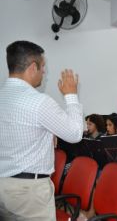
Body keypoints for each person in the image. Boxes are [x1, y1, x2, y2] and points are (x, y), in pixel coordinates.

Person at [0, 40, 83, 220]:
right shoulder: (39, 102)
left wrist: (46, 133)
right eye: (42, 67)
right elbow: (76, 133)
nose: (44, 72)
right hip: (28, 193)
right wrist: (71, 95)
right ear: (32, 67)